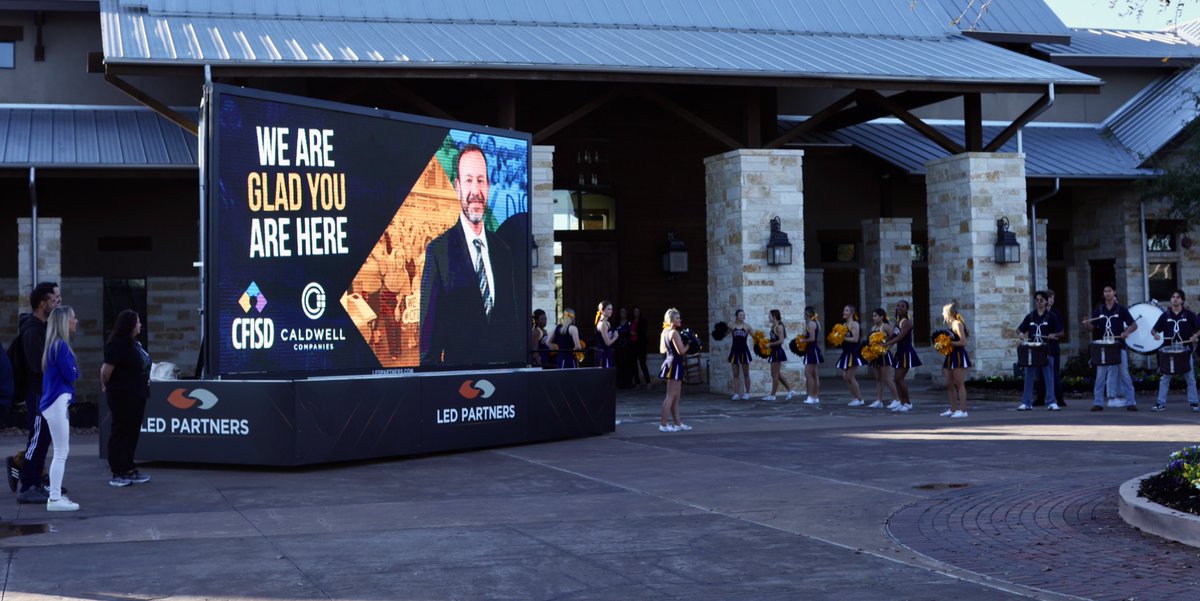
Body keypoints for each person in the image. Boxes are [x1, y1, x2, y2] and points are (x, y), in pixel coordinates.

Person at [419, 144, 518, 366]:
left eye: (481, 180)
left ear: (489, 186)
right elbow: (428, 345)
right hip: (457, 386)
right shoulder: (439, 251)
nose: (475, 191)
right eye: (469, 180)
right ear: (458, 187)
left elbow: (511, 327)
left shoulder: (503, 251)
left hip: (501, 385)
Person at [12, 282, 60, 503]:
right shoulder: (33, 330)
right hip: (40, 394)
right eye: (54, 300)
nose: (58, 303)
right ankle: (27, 485)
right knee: (37, 438)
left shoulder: (42, 328)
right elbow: (37, 365)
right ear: (43, 304)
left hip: (46, 393)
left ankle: (36, 482)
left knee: (43, 439)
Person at [101, 309, 153, 487]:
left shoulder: (134, 344)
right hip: (122, 395)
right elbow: (106, 371)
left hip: (138, 394)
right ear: (130, 325)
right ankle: (118, 471)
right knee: (120, 431)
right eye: (138, 322)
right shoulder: (117, 345)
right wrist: (107, 384)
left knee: (132, 431)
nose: (140, 325)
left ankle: (129, 467)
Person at [39, 306, 80, 511]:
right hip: (57, 402)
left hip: (54, 402)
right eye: (73, 318)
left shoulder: (54, 346)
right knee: (61, 451)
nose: (76, 321)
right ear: (64, 322)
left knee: (60, 451)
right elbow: (72, 374)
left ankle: (55, 497)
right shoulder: (61, 346)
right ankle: (54, 498)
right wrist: (75, 369)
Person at [1083, 284, 1138, 411]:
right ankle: (1098, 403)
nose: (1107, 293)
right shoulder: (1099, 310)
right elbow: (1093, 327)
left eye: (1109, 291)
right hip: (1103, 347)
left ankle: (1131, 402)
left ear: (1114, 292)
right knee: (1101, 375)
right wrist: (1087, 324)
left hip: (1118, 346)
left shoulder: (1121, 309)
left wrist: (1126, 332)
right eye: (1105, 291)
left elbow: (1134, 325)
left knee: (1124, 374)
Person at [1150, 289, 1200, 412]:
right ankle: (1160, 403)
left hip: (1185, 351)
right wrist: (1155, 335)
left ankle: (1194, 402)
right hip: (1169, 352)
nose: (1175, 299)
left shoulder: (1189, 314)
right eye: (1173, 297)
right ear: (1171, 300)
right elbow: (1153, 330)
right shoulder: (1165, 315)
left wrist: (1195, 336)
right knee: (1165, 378)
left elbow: (1199, 328)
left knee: (1190, 377)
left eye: (1178, 297)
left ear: (1182, 300)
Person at [1016, 291, 1063, 411]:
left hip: (1046, 350)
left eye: (1041, 300)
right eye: (1037, 300)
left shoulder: (1051, 316)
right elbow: (1019, 329)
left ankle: (1051, 402)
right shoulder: (1031, 316)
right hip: (1032, 350)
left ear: (1046, 301)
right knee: (1029, 376)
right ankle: (1026, 402)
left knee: (1048, 377)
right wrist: (1021, 333)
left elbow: (1061, 332)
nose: (1039, 302)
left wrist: (1054, 334)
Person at [658, 308, 691, 432]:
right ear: (671, 320)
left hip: (672, 362)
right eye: (677, 318)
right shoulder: (673, 332)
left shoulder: (666, 332)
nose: (680, 319)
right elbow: (681, 351)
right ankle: (663, 424)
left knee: (676, 397)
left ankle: (678, 423)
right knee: (670, 396)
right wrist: (690, 344)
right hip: (675, 364)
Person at [885, 300, 921, 412]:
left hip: (907, 352)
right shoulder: (898, 321)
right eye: (898, 306)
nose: (899, 308)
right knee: (896, 379)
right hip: (900, 352)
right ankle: (902, 402)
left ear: (906, 308)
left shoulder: (907, 322)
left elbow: (900, 337)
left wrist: (886, 344)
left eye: (902, 306)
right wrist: (884, 347)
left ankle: (908, 403)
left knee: (899, 379)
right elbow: (893, 337)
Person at [1033, 289, 1066, 407]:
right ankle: (1040, 398)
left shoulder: (1055, 314)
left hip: (1052, 348)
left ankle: (1058, 398)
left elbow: (1061, 331)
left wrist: (1055, 335)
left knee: (1054, 374)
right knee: (1039, 374)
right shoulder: (1036, 314)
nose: (1051, 300)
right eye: (1049, 297)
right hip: (1040, 348)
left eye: (1052, 298)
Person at [940, 302, 971, 418]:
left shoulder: (957, 324)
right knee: (949, 383)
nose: (942, 314)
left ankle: (963, 411)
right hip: (950, 355)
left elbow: (963, 342)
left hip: (958, 354)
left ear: (949, 313)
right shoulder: (950, 324)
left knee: (959, 383)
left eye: (944, 312)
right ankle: (953, 409)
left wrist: (949, 343)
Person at [865, 308, 900, 410]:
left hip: (884, 355)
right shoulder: (873, 328)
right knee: (878, 379)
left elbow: (893, 338)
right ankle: (879, 400)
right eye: (873, 316)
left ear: (881, 316)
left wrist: (886, 349)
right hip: (875, 356)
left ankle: (897, 399)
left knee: (887, 378)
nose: (874, 318)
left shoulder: (885, 326)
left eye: (875, 316)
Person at [762, 309, 795, 401]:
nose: (768, 318)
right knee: (777, 374)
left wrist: (770, 344)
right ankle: (790, 389)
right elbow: (773, 339)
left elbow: (781, 341)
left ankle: (772, 395)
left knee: (774, 375)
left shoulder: (779, 327)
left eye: (769, 316)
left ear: (774, 317)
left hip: (777, 352)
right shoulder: (773, 326)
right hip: (773, 351)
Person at [837, 305, 866, 406]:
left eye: (847, 310)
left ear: (852, 312)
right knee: (845, 376)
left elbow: (855, 339)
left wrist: (842, 338)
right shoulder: (844, 324)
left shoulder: (854, 324)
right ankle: (855, 397)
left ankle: (860, 399)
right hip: (846, 352)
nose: (844, 312)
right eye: (844, 310)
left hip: (853, 352)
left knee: (850, 376)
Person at [727, 309, 753, 400]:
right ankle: (736, 393)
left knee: (746, 373)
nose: (743, 316)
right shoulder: (732, 326)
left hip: (744, 351)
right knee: (735, 374)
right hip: (734, 351)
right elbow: (723, 334)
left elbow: (755, 337)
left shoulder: (747, 327)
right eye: (741, 315)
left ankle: (747, 393)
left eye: (744, 315)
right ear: (737, 316)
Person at [800, 306, 823, 405]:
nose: (803, 315)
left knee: (808, 374)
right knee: (814, 374)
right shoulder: (814, 323)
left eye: (804, 313)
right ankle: (815, 396)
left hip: (812, 350)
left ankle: (811, 396)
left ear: (808, 314)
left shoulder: (811, 323)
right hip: (811, 350)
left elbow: (812, 338)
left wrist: (802, 340)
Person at [594, 301, 618, 369]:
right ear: (602, 310)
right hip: (604, 355)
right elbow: (607, 343)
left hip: (609, 354)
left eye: (611, 309)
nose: (611, 311)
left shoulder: (607, 323)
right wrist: (615, 337)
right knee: (605, 377)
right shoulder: (602, 324)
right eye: (608, 309)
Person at [631, 307, 651, 388]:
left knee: (642, 363)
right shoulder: (631, 321)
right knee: (634, 364)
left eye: (637, 311)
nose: (636, 313)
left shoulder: (643, 321)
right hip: (633, 344)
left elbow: (643, 332)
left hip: (641, 345)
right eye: (634, 311)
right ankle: (637, 382)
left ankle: (648, 381)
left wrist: (635, 333)